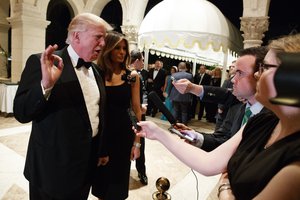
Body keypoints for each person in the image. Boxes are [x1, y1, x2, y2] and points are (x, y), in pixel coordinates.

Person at [134, 34, 300, 200]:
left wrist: (225, 189)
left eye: (264, 68)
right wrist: (157, 133)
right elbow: (209, 162)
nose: (257, 75)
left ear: (292, 76)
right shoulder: (261, 121)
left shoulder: (295, 163)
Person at [13, 13, 111, 200]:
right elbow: (21, 112)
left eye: (104, 38)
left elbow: (97, 115)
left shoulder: (97, 72)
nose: (103, 44)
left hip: (84, 170)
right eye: (98, 37)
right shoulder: (43, 62)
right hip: (51, 172)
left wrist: (100, 150)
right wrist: (46, 86)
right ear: (76, 36)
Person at [173, 47, 268, 151]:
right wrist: (194, 136)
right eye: (234, 72)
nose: (233, 80)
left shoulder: (274, 120)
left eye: (240, 73)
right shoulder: (239, 108)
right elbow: (222, 139)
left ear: (261, 75)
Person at [91, 31, 141, 200]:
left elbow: (136, 110)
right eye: (117, 48)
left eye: (124, 48)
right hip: (101, 135)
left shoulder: (131, 77)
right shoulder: (97, 73)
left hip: (122, 136)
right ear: (108, 49)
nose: (122, 52)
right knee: (101, 186)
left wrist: (137, 143)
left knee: (117, 187)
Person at [129, 49, 148, 185]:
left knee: (140, 143)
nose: (143, 63)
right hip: (130, 114)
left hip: (139, 112)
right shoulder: (128, 74)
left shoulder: (140, 75)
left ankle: (141, 171)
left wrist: (143, 103)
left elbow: (144, 92)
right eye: (142, 60)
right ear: (136, 61)